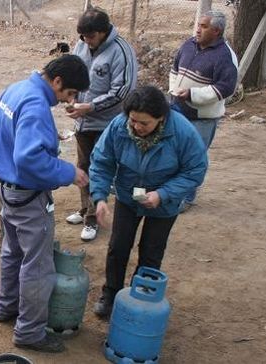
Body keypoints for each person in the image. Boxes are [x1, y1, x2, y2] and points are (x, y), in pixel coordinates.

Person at [0, 55, 90, 353]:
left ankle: (5, 307)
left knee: (12, 252)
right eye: (69, 93)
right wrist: (69, 172)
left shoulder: (18, 89)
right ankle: (30, 332)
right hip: (29, 196)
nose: (67, 100)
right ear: (57, 81)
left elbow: (14, 132)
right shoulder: (36, 104)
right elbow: (29, 158)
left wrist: (48, 137)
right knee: (38, 265)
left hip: (6, 190)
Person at [88, 86, 208, 318]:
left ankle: (140, 298)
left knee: (151, 252)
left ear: (161, 118)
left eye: (145, 123)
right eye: (133, 120)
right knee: (118, 247)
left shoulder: (182, 132)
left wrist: (163, 194)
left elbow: (195, 170)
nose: (137, 127)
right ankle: (111, 294)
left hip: (164, 203)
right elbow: (102, 162)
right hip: (127, 195)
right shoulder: (118, 126)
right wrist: (100, 198)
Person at [65, 7, 138, 242]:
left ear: (104, 32)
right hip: (83, 123)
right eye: (83, 37)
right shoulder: (82, 45)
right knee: (83, 167)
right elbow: (74, 73)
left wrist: (90, 107)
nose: (87, 41)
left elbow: (123, 91)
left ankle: (93, 220)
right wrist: (73, 100)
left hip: (108, 124)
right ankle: (85, 208)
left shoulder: (122, 51)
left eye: (91, 37)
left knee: (101, 169)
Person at [169, 10, 237, 212]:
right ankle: (172, 192)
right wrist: (174, 90)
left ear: (216, 31)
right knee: (173, 153)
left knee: (193, 157)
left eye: (204, 26)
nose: (198, 29)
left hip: (202, 118)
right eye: (198, 25)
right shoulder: (189, 45)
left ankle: (187, 198)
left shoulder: (225, 56)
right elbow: (174, 69)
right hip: (178, 110)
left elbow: (225, 88)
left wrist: (191, 94)